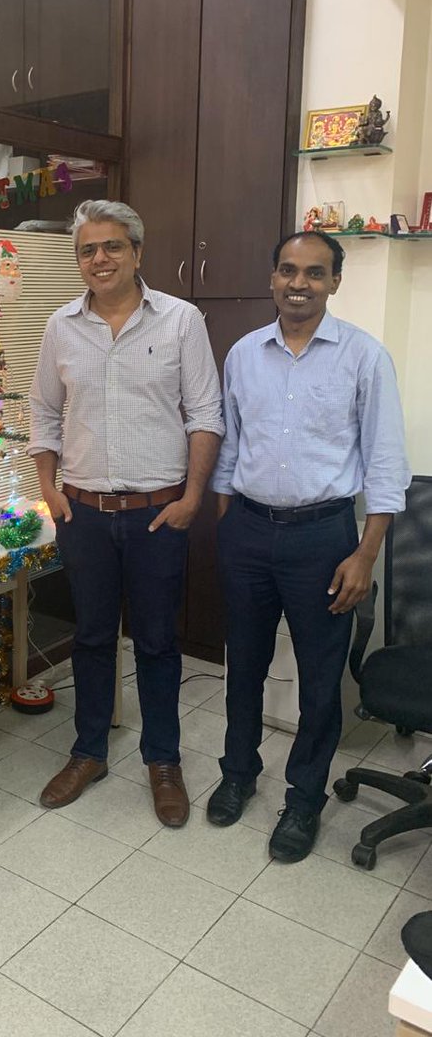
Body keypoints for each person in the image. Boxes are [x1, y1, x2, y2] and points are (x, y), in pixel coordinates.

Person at [208, 231, 410, 861]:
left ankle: (304, 799)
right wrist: (228, 525)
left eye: (315, 273)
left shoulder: (364, 357)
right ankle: (238, 772)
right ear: (273, 277)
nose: (300, 284)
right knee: (243, 664)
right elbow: (231, 449)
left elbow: (385, 465)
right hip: (247, 531)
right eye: (289, 270)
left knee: (320, 679)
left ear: (334, 282)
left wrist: (365, 554)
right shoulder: (244, 354)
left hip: (324, 538)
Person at [28, 199, 224, 826]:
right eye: (87, 249)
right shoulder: (61, 327)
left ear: (137, 252)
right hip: (82, 513)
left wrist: (192, 499)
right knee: (89, 638)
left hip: (157, 515)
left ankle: (162, 761)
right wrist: (50, 489)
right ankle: (88, 752)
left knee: (159, 642)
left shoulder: (181, 320)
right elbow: (43, 413)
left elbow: (205, 414)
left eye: (112, 246)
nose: (100, 258)